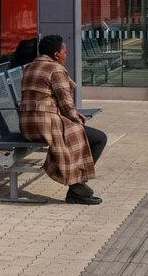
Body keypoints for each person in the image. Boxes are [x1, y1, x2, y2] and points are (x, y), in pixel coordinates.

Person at [18, 34, 107, 204]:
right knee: (98, 138)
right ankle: (77, 188)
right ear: (57, 54)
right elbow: (65, 101)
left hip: (27, 126)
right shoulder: (55, 69)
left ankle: (78, 188)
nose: (66, 54)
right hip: (44, 124)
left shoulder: (30, 67)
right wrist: (75, 117)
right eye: (65, 51)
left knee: (79, 133)